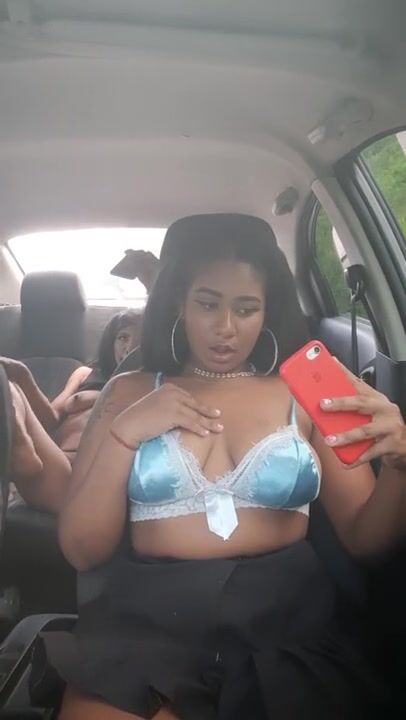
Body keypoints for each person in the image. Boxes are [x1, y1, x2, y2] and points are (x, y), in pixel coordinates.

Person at [36, 214, 406, 719]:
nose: (226, 328)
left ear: (267, 310)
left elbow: (366, 540)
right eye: (208, 304)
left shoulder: (310, 388)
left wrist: (401, 466)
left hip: (288, 625)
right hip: (145, 627)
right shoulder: (127, 391)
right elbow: (83, 550)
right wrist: (127, 433)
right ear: (178, 304)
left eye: (246, 308)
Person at [2, 310, 140, 513]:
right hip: (55, 464)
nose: (129, 347)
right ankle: (20, 450)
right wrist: (23, 374)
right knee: (6, 385)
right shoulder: (84, 374)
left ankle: (15, 456)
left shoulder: (151, 385)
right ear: (111, 342)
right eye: (123, 338)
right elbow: (51, 419)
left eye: (140, 338)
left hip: (84, 482)